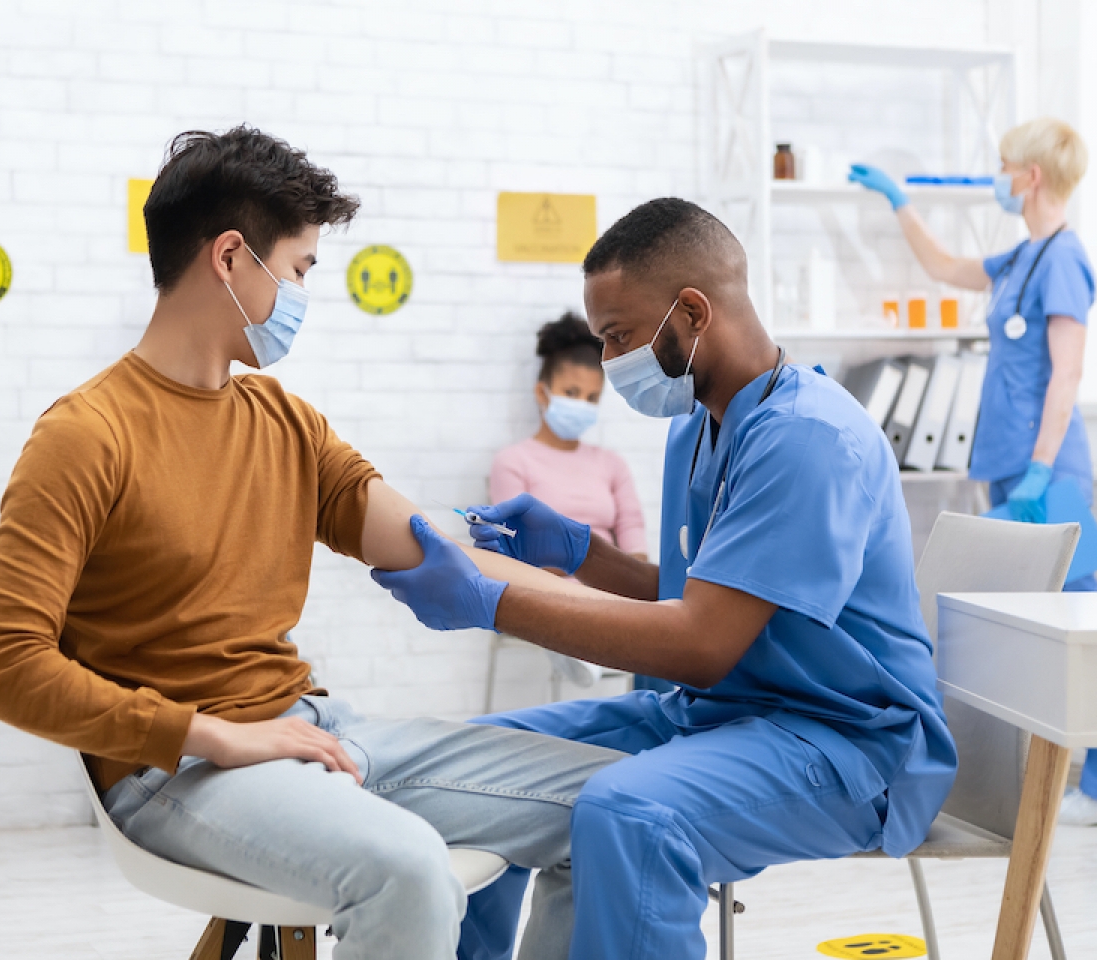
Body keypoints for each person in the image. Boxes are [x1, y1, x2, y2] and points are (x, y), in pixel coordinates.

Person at [0, 126, 627, 960]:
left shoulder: (285, 423)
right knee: (409, 871)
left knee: (617, 806)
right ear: (232, 258)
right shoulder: (86, 435)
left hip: (311, 729)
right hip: (175, 771)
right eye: (302, 268)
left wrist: (666, 610)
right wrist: (213, 735)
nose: (306, 292)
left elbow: (426, 543)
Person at [372, 198, 957, 959]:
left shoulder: (809, 439)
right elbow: (696, 593)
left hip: (846, 742)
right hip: (720, 714)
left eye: (619, 337)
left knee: (631, 813)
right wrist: (581, 552)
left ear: (691, 311)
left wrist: (493, 602)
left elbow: (700, 643)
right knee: (468, 769)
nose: (612, 362)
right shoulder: (697, 427)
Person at [850, 117, 1097, 827]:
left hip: (1049, 470)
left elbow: (1067, 375)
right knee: (1040, 617)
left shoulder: (1064, 259)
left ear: (1029, 176)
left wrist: (1037, 474)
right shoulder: (1025, 257)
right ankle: (1084, 779)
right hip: (1010, 467)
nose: (996, 176)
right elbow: (944, 268)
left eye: (1003, 165)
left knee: (1082, 614)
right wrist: (897, 200)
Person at [490, 312, 652, 690]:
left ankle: (585, 643)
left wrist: (626, 575)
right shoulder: (514, 462)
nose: (581, 404)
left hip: (610, 583)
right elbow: (515, 545)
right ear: (542, 392)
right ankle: (583, 643)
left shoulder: (611, 464)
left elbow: (633, 535)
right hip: (546, 581)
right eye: (571, 393)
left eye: (592, 397)